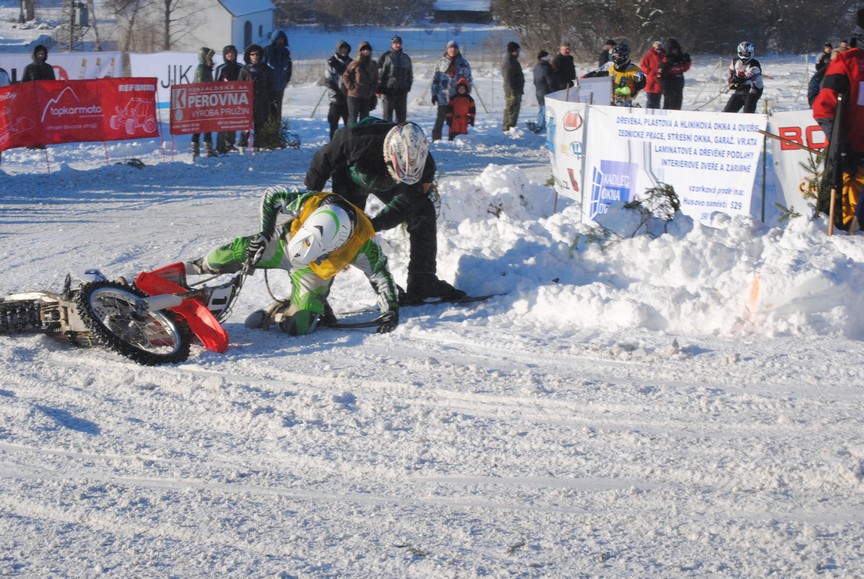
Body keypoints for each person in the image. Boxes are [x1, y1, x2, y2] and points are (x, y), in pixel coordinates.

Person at [185, 187, 399, 335]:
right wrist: (265, 234)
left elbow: (381, 275)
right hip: (285, 243)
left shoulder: (362, 242)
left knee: (299, 327)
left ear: (337, 245)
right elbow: (272, 196)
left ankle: (278, 311)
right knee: (222, 256)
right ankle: (189, 269)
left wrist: (390, 309)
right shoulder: (312, 202)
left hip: (314, 272)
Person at [305, 120, 465, 303]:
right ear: (389, 156)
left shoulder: (425, 164)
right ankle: (315, 295)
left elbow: (410, 201)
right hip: (351, 176)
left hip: (390, 183)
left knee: (423, 210)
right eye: (401, 173)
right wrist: (310, 200)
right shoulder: (355, 141)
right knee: (338, 226)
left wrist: (373, 225)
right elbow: (321, 160)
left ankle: (423, 280)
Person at [813, 40, 864, 232]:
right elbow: (822, 109)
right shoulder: (847, 62)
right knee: (841, 222)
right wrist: (840, 146)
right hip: (847, 153)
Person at [430, 40, 473, 141]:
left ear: (457, 49)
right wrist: (434, 94)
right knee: (440, 119)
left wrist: (466, 94)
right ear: (447, 49)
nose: (452, 50)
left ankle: (455, 140)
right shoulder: (440, 62)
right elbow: (435, 79)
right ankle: (436, 140)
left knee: (456, 120)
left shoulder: (463, 63)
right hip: (443, 97)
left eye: (454, 48)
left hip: (457, 98)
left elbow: (469, 80)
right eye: (450, 48)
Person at [583, 42, 646, 107]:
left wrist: (633, 87)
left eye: (619, 57)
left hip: (625, 103)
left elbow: (642, 81)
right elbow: (597, 73)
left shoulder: (633, 69)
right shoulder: (610, 66)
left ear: (625, 57)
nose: (616, 59)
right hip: (608, 101)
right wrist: (585, 77)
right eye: (615, 57)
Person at [238, 44, 275, 152]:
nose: (255, 56)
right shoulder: (244, 69)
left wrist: (270, 99)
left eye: (257, 54)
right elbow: (239, 85)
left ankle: (257, 147)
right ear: (248, 56)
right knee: (246, 126)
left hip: (261, 100)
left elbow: (270, 85)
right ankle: (242, 146)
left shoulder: (265, 69)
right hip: (247, 101)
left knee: (260, 124)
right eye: (252, 54)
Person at [263, 30, 292, 144]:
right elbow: (263, 67)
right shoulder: (267, 51)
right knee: (268, 113)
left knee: (277, 113)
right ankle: (267, 137)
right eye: (278, 39)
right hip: (268, 87)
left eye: (282, 39)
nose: (280, 41)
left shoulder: (286, 52)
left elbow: (289, 68)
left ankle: (276, 136)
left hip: (280, 87)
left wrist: (285, 81)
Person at [377, 36, 413, 124]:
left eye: (399, 43)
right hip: (389, 91)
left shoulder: (406, 58)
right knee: (387, 118)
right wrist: (378, 89)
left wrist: (408, 86)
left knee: (401, 118)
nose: (398, 45)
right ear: (392, 44)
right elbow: (379, 74)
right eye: (395, 43)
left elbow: (410, 74)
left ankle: (400, 136)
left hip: (402, 92)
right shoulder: (386, 56)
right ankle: (387, 136)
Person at [723, 41, 764, 114]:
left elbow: (747, 76)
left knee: (747, 112)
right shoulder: (734, 62)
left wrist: (737, 80)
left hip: (753, 91)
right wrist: (731, 82)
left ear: (751, 53)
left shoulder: (755, 64)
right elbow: (730, 74)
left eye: (747, 54)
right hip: (740, 90)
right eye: (742, 53)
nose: (744, 56)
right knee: (727, 112)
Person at [215, 45, 242, 154]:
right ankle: (220, 145)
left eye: (231, 53)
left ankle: (230, 144)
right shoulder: (221, 68)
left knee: (233, 122)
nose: (230, 55)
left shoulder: (240, 67)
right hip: (223, 100)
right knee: (222, 123)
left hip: (236, 100)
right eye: (227, 53)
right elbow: (215, 84)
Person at [343, 41, 378, 124]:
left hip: (366, 96)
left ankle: (362, 136)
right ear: (360, 51)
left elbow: (376, 80)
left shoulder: (373, 64)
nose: (366, 51)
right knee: (352, 118)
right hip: (354, 95)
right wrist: (351, 87)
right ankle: (350, 136)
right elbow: (345, 76)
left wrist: (372, 90)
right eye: (363, 49)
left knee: (364, 119)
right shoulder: (354, 63)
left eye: (367, 49)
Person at [324, 40, 352, 140]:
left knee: (348, 125)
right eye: (342, 49)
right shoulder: (331, 62)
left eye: (346, 49)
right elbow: (328, 80)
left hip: (348, 99)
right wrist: (338, 92)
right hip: (335, 98)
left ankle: (347, 145)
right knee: (333, 124)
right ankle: (333, 145)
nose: (344, 51)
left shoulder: (351, 63)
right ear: (338, 50)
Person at [191, 47, 215, 158]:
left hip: (206, 102)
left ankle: (208, 150)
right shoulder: (202, 69)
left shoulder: (207, 68)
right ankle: (196, 151)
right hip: (201, 103)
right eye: (209, 56)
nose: (210, 58)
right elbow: (201, 87)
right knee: (199, 126)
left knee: (207, 126)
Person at [658, 37, 691, 110]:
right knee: (669, 104)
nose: (675, 51)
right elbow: (660, 75)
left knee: (677, 103)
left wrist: (687, 61)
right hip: (670, 85)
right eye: (673, 50)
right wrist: (665, 86)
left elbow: (684, 69)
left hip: (679, 84)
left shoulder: (679, 59)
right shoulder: (666, 59)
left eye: (677, 49)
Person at [502, 41, 524, 132]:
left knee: (514, 110)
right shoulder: (509, 62)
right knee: (511, 110)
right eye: (517, 51)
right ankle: (508, 128)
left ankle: (510, 127)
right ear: (512, 51)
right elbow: (508, 79)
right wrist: (513, 91)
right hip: (512, 92)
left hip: (515, 90)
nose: (519, 53)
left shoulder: (513, 60)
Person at [533, 50, 556, 132]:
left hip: (539, 90)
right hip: (545, 90)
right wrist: (553, 90)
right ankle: (540, 126)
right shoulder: (546, 67)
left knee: (541, 108)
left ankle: (540, 125)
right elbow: (549, 80)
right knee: (544, 109)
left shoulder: (537, 66)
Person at [639, 41, 665, 109]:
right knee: (650, 101)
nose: (659, 51)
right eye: (657, 49)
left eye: (660, 49)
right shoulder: (648, 57)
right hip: (650, 82)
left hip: (660, 82)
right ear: (654, 48)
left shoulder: (664, 57)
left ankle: (656, 116)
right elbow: (642, 66)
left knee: (657, 102)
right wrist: (651, 72)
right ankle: (648, 115)